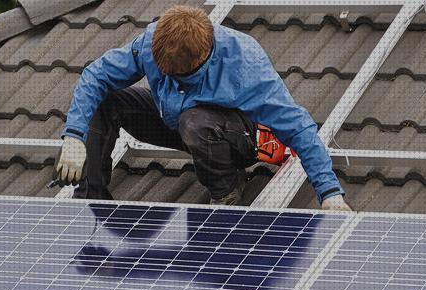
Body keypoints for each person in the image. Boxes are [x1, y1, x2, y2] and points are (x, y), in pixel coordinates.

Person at [54, 5, 351, 210]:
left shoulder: (244, 64)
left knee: (194, 122)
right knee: (106, 102)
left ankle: (226, 189)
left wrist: (330, 193)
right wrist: (74, 135)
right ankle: (90, 202)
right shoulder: (152, 41)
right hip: (176, 121)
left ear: (203, 58)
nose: (168, 79)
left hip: (233, 137)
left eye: (180, 77)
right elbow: (96, 75)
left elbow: (298, 128)